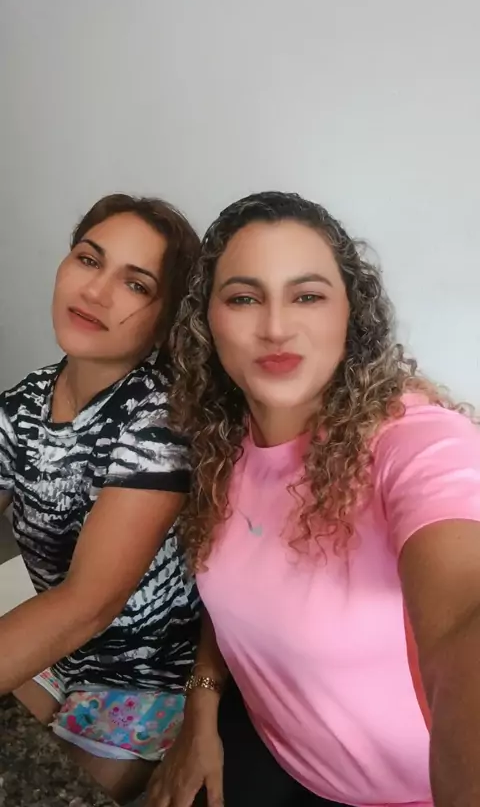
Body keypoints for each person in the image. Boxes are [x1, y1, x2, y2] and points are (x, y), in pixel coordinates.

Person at [148, 191, 480, 807]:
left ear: (351, 313)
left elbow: (465, 614)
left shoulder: (417, 442)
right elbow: (236, 594)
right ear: (205, 322)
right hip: (270, 754)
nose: (276, 326)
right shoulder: (219, 440)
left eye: (307, 296)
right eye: (244, 298)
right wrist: (202, 710)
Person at [0, 193, 201, 803]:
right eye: (89, 260)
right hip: (63, 656)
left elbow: (87, 604)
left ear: (165, 319)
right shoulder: (26, 401)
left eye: (136, 284)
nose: (96, 291)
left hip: (144, 679)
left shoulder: (160, 422)